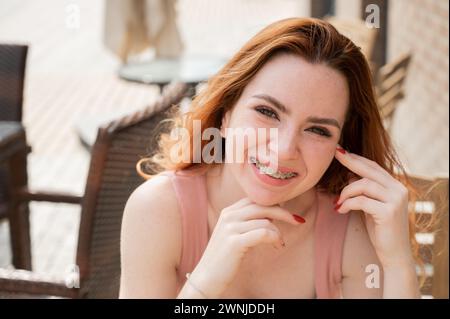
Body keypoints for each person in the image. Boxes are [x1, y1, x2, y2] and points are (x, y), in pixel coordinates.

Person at [119, 17, 421, 298]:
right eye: (267, 112)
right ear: (226, 114)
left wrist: (398, 265)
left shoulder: (351, 225)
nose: (284, 149)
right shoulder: (158, 211)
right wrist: (203, 285)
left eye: (317, 130)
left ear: (340, 146)